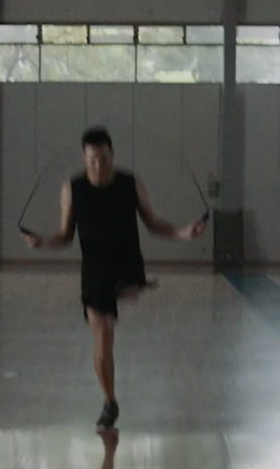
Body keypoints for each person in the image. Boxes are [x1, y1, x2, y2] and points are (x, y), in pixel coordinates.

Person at [22, 126, 207, 430]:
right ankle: (109, 401)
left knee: (126, 289)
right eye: (92, 160)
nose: (98, 166)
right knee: (103, 339)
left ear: (112, 155)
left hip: (126, 262)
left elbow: (153, 223)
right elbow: (65, 235)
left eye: (104, 159)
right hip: (94, 269)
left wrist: (185, 233)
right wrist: (43, 242)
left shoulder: (130, 183)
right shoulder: (72, 188)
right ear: (84, 157)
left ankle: (132, 286)